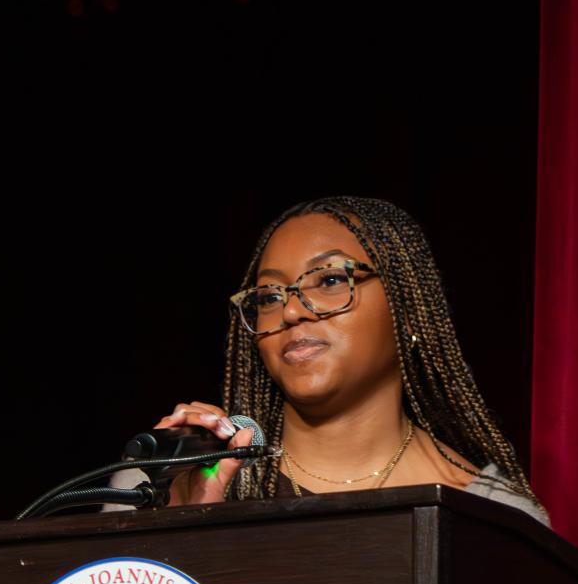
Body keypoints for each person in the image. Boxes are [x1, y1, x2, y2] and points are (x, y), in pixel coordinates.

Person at [153, 196, 545, 523]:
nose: (290, 312)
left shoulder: (491, 515)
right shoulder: (174, 477)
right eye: (270, 296)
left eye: (329, 280)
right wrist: (176, 524)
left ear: (406, 309)